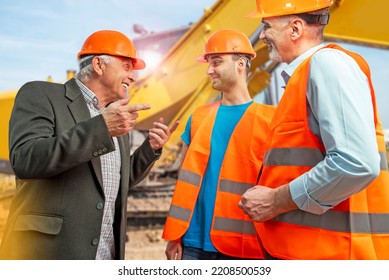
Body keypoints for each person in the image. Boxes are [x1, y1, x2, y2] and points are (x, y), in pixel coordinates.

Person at [0, 30, 179, 260]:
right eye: (126, 66)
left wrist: (150, 149)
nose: (133, 76)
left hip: (105, 255)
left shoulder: (114, 118)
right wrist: (101, 129)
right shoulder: (41, 94)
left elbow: (118, 182)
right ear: (98, 64)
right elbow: (27, 159)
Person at [239, 0, 389, 259]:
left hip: (332, 256)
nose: (262, 35)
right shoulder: (307, 75)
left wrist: (275, 201)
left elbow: (355, 163)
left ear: (295, 29)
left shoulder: (327, 64)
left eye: (266, 26)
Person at [162, 29, 275, 260]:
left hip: (245, 246)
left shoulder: (270, 120)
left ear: (241, 64)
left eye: (216, 62)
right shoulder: (198, 117)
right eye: (208, 63)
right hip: (192, 243)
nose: (209, 70)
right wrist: (175, 235)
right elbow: (185, 183)